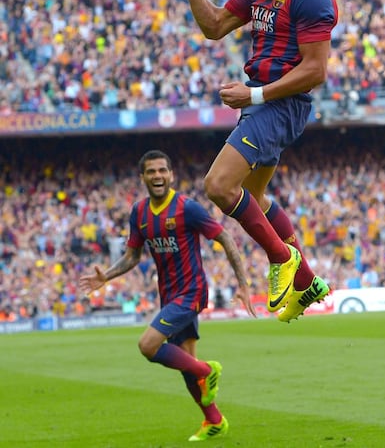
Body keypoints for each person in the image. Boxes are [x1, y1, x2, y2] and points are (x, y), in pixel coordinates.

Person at [181, 0, 338, 322]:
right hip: (261, 104)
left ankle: (282, 257)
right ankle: (306, 280)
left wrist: (253, 94)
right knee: (255, 196)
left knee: (218, 185)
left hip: (280, 104)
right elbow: (214, 26)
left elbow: (316, 71)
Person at [79, 149, 255, 442]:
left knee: (148, 345)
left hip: (192, 292)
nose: (158, 176)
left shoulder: (188, 208)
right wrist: (105, 277)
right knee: (185, 367)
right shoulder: (139, 212)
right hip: (169, 296)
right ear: (143, 177)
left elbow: (224, 237)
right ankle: (214, 420)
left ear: (171, 175)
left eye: (162, 170)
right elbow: (132, 256)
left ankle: (207, 369)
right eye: (151, 171)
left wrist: (243, 283)